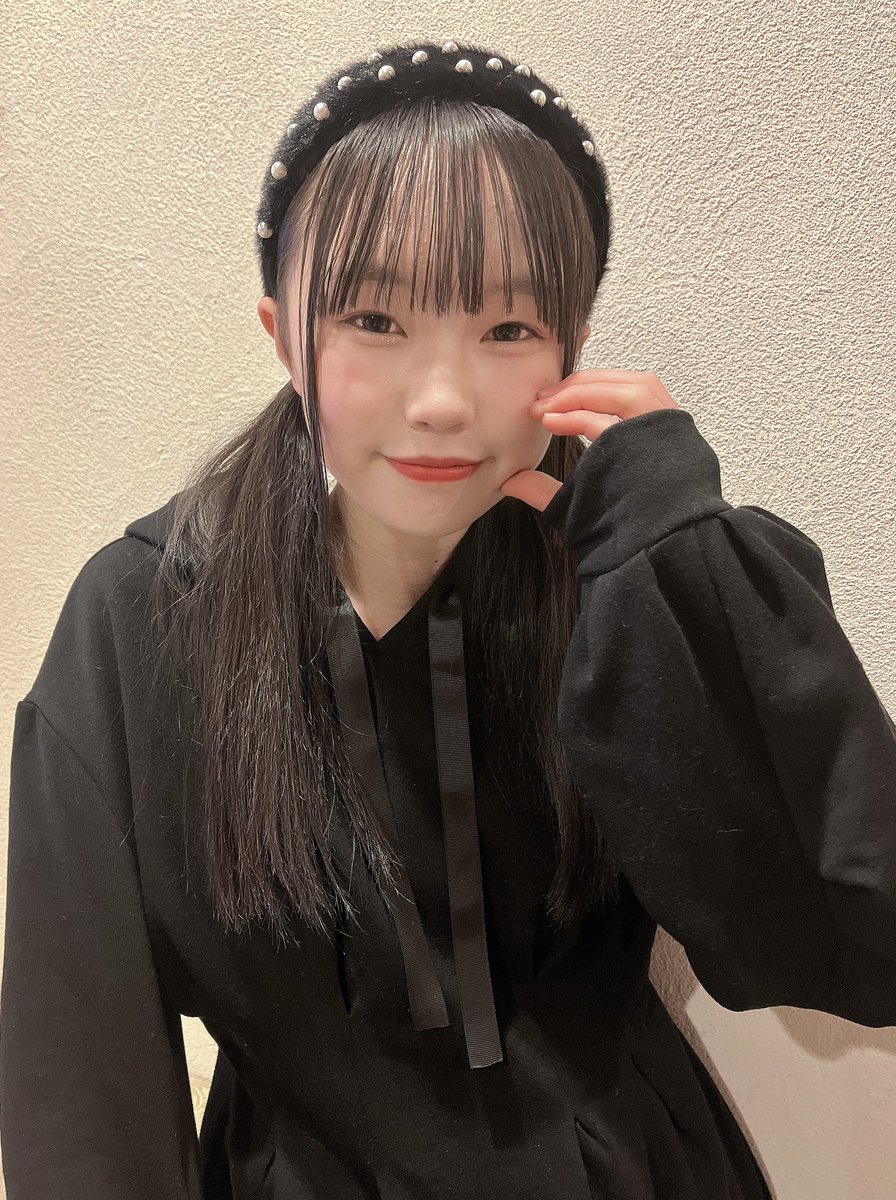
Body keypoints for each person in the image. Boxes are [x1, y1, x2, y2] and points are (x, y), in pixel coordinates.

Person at [2, 36, 895, 1200]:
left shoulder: (620, 579)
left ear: (571, 346)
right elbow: (82, 1090)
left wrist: (679, 554)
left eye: (506, 330)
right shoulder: (142, 617)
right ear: (283, 335)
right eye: (374, 320)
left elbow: (856, 941)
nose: (439, 400)